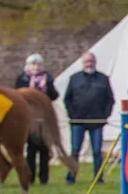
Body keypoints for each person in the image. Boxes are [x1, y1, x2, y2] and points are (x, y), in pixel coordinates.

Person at [64, 52, 114, 183]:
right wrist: (72, 115)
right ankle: (71, 177)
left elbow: (110, 99)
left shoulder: (103, 79)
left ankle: (98, 178)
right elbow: (67, 99)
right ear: (83, 63)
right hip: (78, 121)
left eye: (91, 61)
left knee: (97, 151)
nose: (89, 64)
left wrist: (104, 116)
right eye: (87, 61)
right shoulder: (74, 78)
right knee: (75, 150)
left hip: (97, 121)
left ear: (95, 62)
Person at [15, 54, 59, 184]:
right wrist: (30, 88)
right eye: (33, 64)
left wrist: (47, 88)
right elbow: (17, 95)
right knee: (31, 150)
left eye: (38, 64)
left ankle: (44, 178)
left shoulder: (48, 78)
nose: (36, 67)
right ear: (28, 66)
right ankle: (31, 177)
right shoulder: (22, 79)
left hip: (44, 118)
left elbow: (54, 95)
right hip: (29, 118)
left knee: (45, 149)